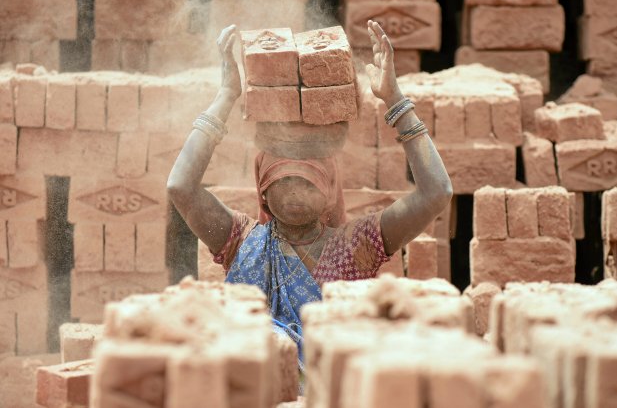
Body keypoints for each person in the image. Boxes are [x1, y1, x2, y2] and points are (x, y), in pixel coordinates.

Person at [167, 21, 453, 368]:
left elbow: (437, 192)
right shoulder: (238, 240)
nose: (295, 193)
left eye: (308, 182)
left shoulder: (356, 245)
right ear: (263, 191)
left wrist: (395, 100)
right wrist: (226, 96)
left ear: (330, 190)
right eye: (283, 181)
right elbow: (180, 187)